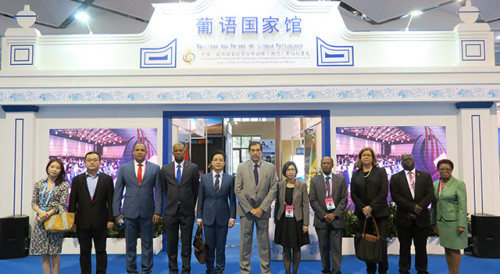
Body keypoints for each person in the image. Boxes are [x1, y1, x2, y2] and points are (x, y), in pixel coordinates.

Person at [112, 143, 162, 274]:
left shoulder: (155, 169)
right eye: (137, 150)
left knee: (147, 245)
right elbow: (118, 191)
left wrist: (157, 211)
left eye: (142, 150)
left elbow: (158, 191)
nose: (140, 152)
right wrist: (116, 212)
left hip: (148, 212)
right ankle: (131, 270)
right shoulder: (124, 169)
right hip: (129, 212)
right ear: (133, 152)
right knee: (130, 245)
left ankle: (146, 270)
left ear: (146, 153)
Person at [68, 151, 115, 274]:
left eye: (95, 159)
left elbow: (111, 201)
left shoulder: (107, 179)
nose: (92, 162)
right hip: (82, 222)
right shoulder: (77, 180)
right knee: (84, 252)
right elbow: (72, 202)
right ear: (85, 162)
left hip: (101, 221)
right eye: (89, 160)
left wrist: (111, 219)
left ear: (100, 162)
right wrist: (71, 220)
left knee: (101, 250)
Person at [235, 141, 277, 274]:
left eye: (257, 150)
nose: (255, 153)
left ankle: (265, 270)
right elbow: (238, 189)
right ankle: (244, 270)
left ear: (261, 152)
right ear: (249, 152)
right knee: (245, 244)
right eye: (252, 150)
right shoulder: (241, 167)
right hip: (246, 212)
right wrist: (250, 209)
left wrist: (261, 208)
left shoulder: (270, 167)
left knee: (264, 243)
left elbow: (273, 189)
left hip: (262, 212)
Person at [390, 153, 434, 274]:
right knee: (404, 247)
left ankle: (422, 270)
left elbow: (430, 194)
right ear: (401, 163)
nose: (407, 160)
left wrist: (419, 207)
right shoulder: (395, 178)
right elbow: (396, 197)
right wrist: (413, 207)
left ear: (414, 160)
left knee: (421, 248)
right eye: (405, 159)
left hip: (422, 218)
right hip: (404, 218)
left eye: (409, 158)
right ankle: (404, 269)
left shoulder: (425, 176)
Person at [161, 142, 200, 274]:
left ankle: (186, 269)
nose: (178, 152)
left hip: (187, 212)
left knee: (186, 243)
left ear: (184, 152)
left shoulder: (193, 168)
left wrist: (188, 202)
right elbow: (164, 190)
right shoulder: (165, 169)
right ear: (173, 152)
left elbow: (195, 190)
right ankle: (173, 269)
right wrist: (174, 200)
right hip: (170, 212)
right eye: (176, 150)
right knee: (171, 244)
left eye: (180, 150)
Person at [350, 147, 390, 274]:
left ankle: (383, 270)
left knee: (381, 241)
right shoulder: (356, 173)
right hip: (363, 214)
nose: (366, 157)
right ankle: (370, 269)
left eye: (368, 155)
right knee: (366, 241)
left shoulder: (381, 172)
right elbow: (354, 194)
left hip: (380, 212)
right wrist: (364, 208)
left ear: (373, 158)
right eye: (363, 155)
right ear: (360, 158)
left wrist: (371, 207)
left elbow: (383, 192)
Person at [196, 150, 236, 274]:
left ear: (224, 163)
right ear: (211, 162)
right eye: (215, 160)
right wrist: (199, 217)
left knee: (220, 246)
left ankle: (219, 269)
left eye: (220, 160)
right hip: (207, 217)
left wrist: (232, 217)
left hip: (223, 217)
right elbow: (200, 198)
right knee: (209, 246)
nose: (218, 162)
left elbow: (233, 200)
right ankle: (210, 268)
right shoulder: (204, 178)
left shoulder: (230, 179)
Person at [30, 158, 70, 274]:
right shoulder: (39, 183)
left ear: (61, 170)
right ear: (47, 168)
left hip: (54, 219)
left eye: (58, 168)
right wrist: (41, 212)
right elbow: (34, 202)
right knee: (44, 251)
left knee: (54, 251)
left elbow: (62, 204)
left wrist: (48, 213)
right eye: (52, 167)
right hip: (40, 220)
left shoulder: (64, 185)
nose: (54, 170)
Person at [309, 156, 348, 274]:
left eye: (328, 163)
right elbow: (313, 200)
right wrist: (325, 215)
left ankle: (336, 271)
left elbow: (344, 199)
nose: (326, 165)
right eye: (323, 163)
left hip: (336, 219)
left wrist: (334, 214)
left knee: (336, 248)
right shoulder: (315, 180)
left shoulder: (340, 180)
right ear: (321, 165)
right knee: (323, 247)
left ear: (332, 165)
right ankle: (326, 270)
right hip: (321, 220)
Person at [430, 159, 467, 274]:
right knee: (447, 248)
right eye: (442, 169)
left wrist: (461, 224)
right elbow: (434, 204)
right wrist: (433, 222)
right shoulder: (435, 184)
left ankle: (454, 272)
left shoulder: (458, 184)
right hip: (441, 222)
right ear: (438, 170)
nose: (445, 171)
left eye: (448, 169)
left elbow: (462, 205)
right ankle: (451, 271)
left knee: (454, 249)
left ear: (452, 170)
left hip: (454, 222)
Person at [274, 161, 310, 274]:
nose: (290, 172)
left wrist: (306, 223)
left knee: (296, 248)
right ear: (285, 172)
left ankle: (294, 272)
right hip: (284, 221)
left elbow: (305, 205)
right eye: (288, 169)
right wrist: (276, 220)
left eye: (292, 169)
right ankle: (287, 272)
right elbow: (277, 204)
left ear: (296, 171)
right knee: (285, 248)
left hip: (297, 221)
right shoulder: (280, 185)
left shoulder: (302, 185)